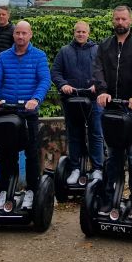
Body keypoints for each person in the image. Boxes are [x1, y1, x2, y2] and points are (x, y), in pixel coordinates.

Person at [93, 5, 132, 219]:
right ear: (113, 21)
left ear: (131, 20)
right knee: (113, 156)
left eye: (123, 19)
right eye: (117, 19)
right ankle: (110, 199)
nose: (120, 22)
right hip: (110, 109)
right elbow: (98, 69)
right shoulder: (105, 46)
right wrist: (102, 91)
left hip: (131, 108)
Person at [0, 20, 51, 211]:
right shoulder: (3, 57)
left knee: (31, 153)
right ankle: (6, 191)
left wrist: (36, 99)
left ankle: (31, 190)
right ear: (13, 35)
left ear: (30, 35)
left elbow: (44, 80)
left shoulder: (39, 56)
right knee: (6, 154)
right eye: (17, 33)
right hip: (7, 112)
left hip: (28, 113)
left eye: (24, 33)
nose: (20, 36)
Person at [51, 20, 103, 184]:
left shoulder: (97, 50)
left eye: (84, 32)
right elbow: (56, 72)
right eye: (78, 32)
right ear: (74, 33)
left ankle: (97, 169)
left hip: (93, 100)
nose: (81, 34)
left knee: (96, 134)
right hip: (71, 100)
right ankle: (75, 168)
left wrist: (98, 84)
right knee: (74, 135)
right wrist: (63, 84)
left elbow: (105, 72)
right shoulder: (65, 51)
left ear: (88, 33)